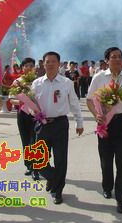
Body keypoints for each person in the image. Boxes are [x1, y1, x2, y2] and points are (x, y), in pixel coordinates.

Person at [87, 47, 122, 214]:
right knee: (106, 159)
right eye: (113, 57)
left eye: (119, 57)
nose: (116, 59)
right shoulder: (99, 77)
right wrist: (97, 116)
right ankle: (107, 186)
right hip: (105, 124)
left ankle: (121, 198)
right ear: (107, 60)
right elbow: (89, 100)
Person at [31, 51, 84, 205]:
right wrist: (31, 111)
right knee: (39, 160)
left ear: (59, 64)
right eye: (47, 61)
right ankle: (53, 178)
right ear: (43, 64)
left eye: (54, 61)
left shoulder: (66, 83)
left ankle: (57, 191)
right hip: (42, 124)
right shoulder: (37, 83)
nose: (50, 64)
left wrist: (79, 122)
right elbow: (31, 104)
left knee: (60, 159)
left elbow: (74, 103)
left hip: (60, 124)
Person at [12, 58, 37, 177]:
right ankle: (29, 165)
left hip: (37, 114)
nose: (29, 67)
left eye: (31, 65)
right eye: (26, 65)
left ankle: (37, 165)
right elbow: (11, 99)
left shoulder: (39, 81)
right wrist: (24, 102)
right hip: (23, 114)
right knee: (26, 140)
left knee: (36, 140)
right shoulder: (17, 82)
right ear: (22, 68)